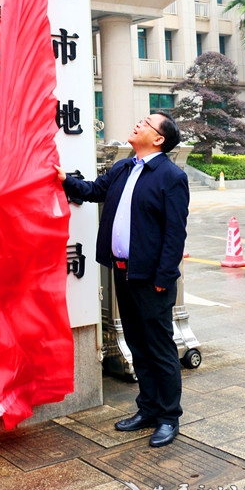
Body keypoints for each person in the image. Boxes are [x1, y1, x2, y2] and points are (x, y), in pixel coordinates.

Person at [56, 111, 189, 448]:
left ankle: (169, 417)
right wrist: (61, 178)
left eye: (146, 123)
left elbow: (175, 232)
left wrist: (164, 277)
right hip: (122, 269)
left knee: (159, 346)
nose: (138, 124)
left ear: (159, 139)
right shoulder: (123, 168)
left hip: (152, 278)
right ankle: (147, 408)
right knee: (137, 342)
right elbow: (91, 191)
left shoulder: (170, 176)